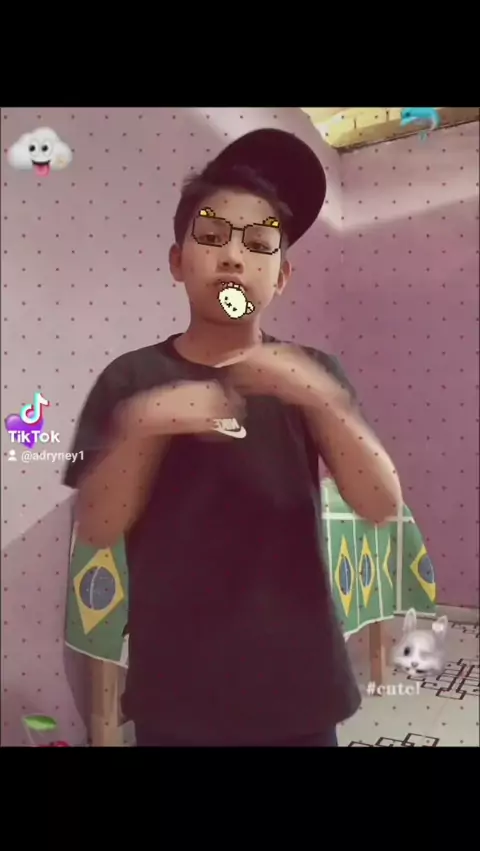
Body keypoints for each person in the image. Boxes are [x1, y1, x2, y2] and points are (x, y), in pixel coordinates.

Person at [63, 128, 402, 747]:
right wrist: (141, 427)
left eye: (259, 244)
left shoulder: (314, 372)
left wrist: (325, 403)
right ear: (177, 262)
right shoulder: (130, 379)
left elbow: (381, 503)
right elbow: (97, 527)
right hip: (177, 694)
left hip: (300, 687)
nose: (233, 257)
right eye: (212, 236)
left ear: (282, 276)